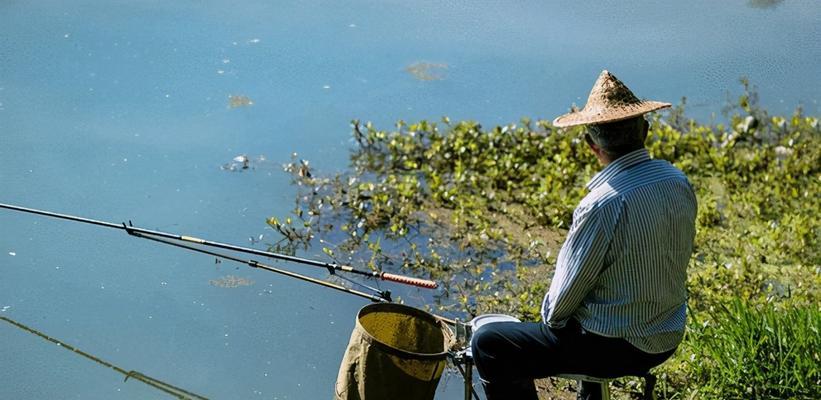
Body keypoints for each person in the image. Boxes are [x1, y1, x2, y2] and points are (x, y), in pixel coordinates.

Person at [470, 70, 698, 400]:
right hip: (667, 335)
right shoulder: (677, 181)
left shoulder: (602, 203)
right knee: (593, 311)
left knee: (489, 342)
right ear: (646, 131)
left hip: (617, 348)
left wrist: (552, 318)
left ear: (591, 145)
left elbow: (559, 306)